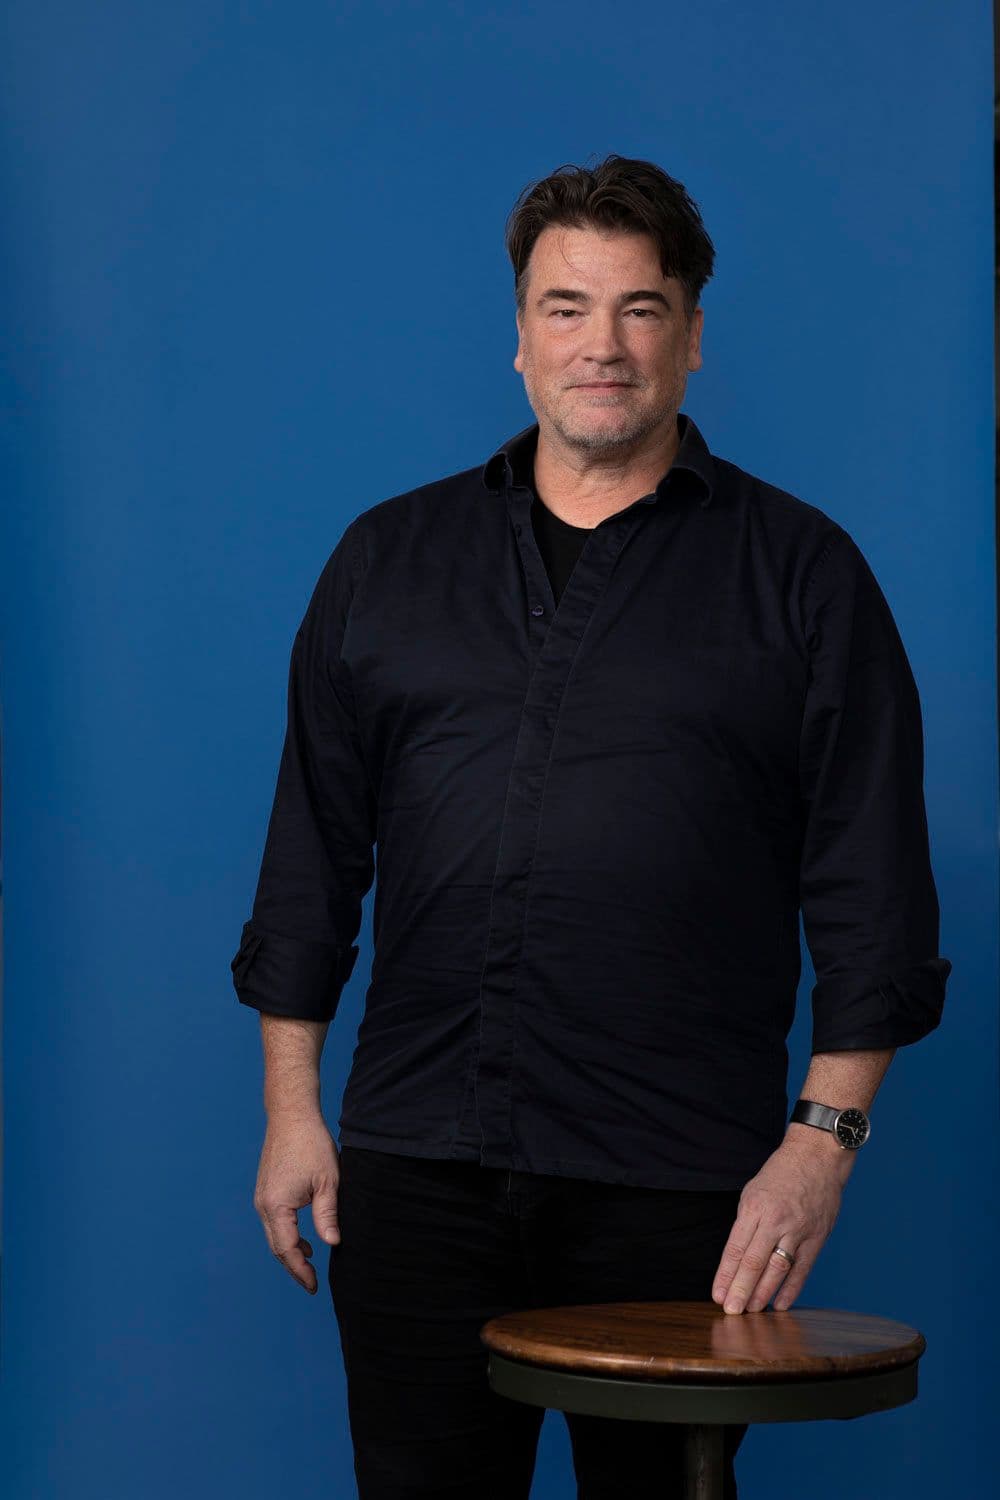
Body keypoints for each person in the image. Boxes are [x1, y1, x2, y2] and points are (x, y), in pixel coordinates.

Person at [230, 154, 951, 1499]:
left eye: (639, 308)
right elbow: (311, 858)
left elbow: (874, 891)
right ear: (518, 340)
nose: (601, 345)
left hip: (679, 1186)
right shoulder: (385, 561)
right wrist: (290, 1109)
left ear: (688, 338)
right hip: (417, 1166)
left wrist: (819, 1150)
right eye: (566, 308)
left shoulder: (805, 576)